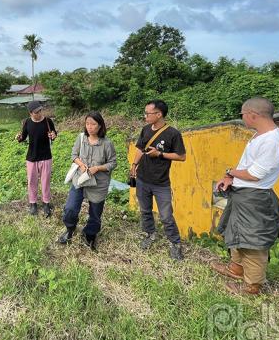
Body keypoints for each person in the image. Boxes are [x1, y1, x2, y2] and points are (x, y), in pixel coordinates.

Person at [211, 97, 279, 295]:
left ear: (253, 115)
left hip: (255, 198)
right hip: (243, 194)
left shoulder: (273, 142)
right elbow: (246, 166)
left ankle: (252, 286)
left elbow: (254, 175)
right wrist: (229, 176)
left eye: (243, 114)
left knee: (252, 242)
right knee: (236, 232)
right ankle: (236, 269)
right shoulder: (259, 136)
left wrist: (231, 170)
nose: (242, 118)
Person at [130, 99, 187, 261]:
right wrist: (134, 164)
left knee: (166, 216)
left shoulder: (173, 134)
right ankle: (149, 234)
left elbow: (181, 156)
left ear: (159, 114)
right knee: (145, 210)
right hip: (142, 179)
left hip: (161, 182)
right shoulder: (146, 129)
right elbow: (140, 148)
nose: (145, 116)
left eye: (148, 113)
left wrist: (160, 154)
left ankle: (175, 244)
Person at [58, 111, 117, 250]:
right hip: (80, 179)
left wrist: (98, 168)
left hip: (99, 183)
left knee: (95, 214)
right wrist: (81, 164)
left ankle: (90, 235)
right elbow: (74, 154)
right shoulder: (81, 138)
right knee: (70, 209)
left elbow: (113, 163)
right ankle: (70, 229)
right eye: (87, 123)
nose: (90, 127)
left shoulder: (107, 143)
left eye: (93, 124)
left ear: (100, 126)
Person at [16, 100, 57, 217]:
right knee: (32, 181)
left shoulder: (48, 121)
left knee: (45, 181)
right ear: (30, 113)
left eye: (40, 111)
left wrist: (53, 135)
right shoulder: (27, 122)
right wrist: (19, 138)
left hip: (46, 156)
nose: (39, 113)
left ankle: (46, 203)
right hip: (32, 157)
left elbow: (54, 134)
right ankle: (33, 203)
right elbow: (23, 137)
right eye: (36, 112)